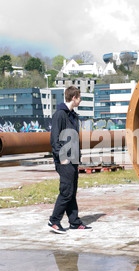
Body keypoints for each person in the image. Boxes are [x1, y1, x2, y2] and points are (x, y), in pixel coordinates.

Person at [48, 86, 92, 234]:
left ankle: (74, 222)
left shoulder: (72, 115)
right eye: (79, 98)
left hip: (73, 159)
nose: (80, 100)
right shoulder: (60, 114)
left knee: (72, 191)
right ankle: (54, 221)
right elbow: (54, 139)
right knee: (66, 191)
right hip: (64, 160)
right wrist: (62, 158)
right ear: (73, 98)